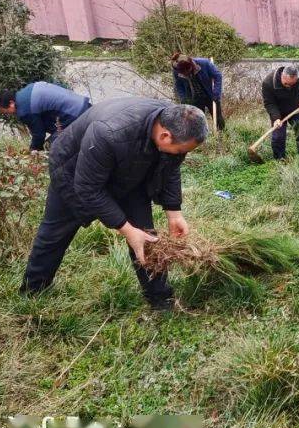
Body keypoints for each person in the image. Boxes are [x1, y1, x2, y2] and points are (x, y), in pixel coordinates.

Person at [20, 100, 208, 310]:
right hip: (73, 172)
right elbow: (88, 188)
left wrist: (174, 213)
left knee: (145, 235)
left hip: (128, 171)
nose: (182, 155)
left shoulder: (170, 119)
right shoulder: (109, 131)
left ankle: (160, 298)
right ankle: (33, 291)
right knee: (55, 233)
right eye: (181, 150)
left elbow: (171, 166)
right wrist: (126, 229)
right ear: (165, 136)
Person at [0, 82, 92, 152]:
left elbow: (39, 134)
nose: (8, 114)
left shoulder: (24, 110)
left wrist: (33, 151)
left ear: (11, 103)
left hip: (74, 114)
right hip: (84, 105)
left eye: (5, 112)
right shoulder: (28, 89)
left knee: (50, 147)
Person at [261, 66, 299, 160]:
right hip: (278, 112)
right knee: (278, 137)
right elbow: (269, 103)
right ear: (282, 76)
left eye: (292, 84)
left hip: (296, 107)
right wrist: (276, 118)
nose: (289, 86)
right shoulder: (268, 83)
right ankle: (280, 159)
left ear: (297, 78)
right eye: (286, 84)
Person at [171, 54, 224, 131]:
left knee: (218, 118)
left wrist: (216, 93)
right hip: (195, 98)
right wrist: (184, 99)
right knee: (198, 121)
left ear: (191, 66)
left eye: (187, 72)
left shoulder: (204, 63)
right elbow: (178, 85)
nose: (185, 74)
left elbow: (218, 76)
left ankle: (221, 134)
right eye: (183, 73)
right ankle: (203, 137)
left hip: (211, 95)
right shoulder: (177, 70)